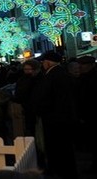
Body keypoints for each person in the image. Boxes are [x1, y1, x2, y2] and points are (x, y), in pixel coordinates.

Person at [33, 50, 78, 179]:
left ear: (48, 62)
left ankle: (63, 172)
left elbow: (49, 97)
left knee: (60, 148)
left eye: (43, 61)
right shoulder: (60, 74)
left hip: (56, 119)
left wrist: (40, 108)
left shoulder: (54, 75)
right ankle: (63, 170)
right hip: (59, 117)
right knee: (63, 148)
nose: (42, 64)